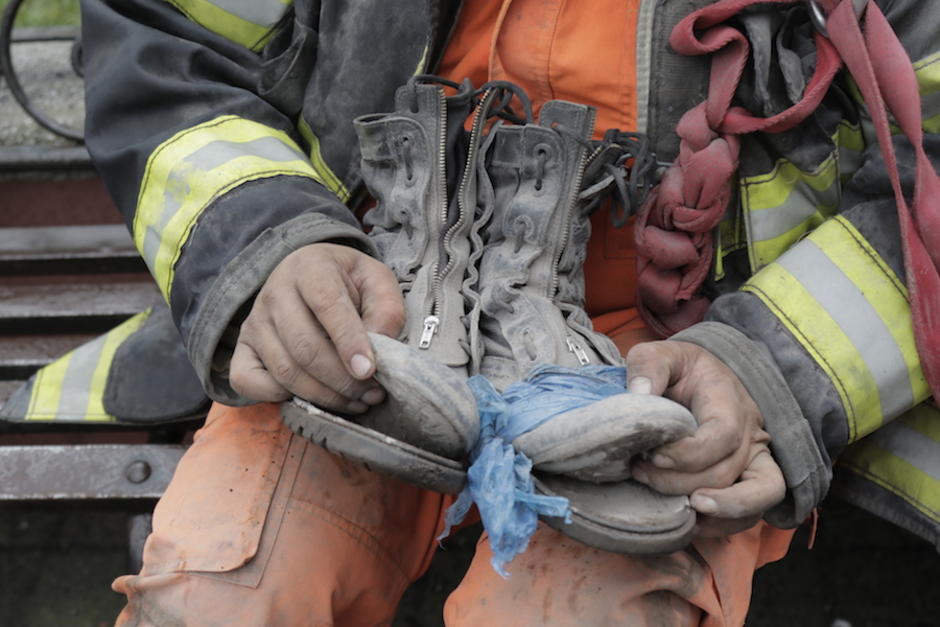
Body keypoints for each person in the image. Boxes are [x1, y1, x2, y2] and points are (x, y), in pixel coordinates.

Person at [78, 0, 940, 624]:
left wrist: (769, 373)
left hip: (679, 377)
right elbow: (169, 36)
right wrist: (267, 246)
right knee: (215, 598)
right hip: (364, 321)